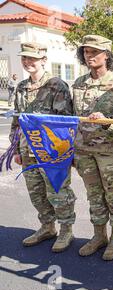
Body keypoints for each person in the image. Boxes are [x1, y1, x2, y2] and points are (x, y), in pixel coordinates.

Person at [9, 42, 76, 252]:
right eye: (24, 58)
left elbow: (65, 122)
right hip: (27, 149)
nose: (28, 62)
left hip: (51, 151)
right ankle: (47, 226)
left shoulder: (56, 85)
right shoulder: (21, 87)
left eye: (32, 59)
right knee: (36, 192)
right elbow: (17, 118)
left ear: (43, 60)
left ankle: (66, 230)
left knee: (58, 191)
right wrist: (16, 148)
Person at [72, 35, 113, 261]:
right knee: (94, 195)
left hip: (111, 153)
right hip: (84, 151)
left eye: (95, 52)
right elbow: (73, 117)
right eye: (86, 52)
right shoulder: (78, 84)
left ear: (107, 55)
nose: (90, 56)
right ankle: (99, 236)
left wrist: (108, 120)